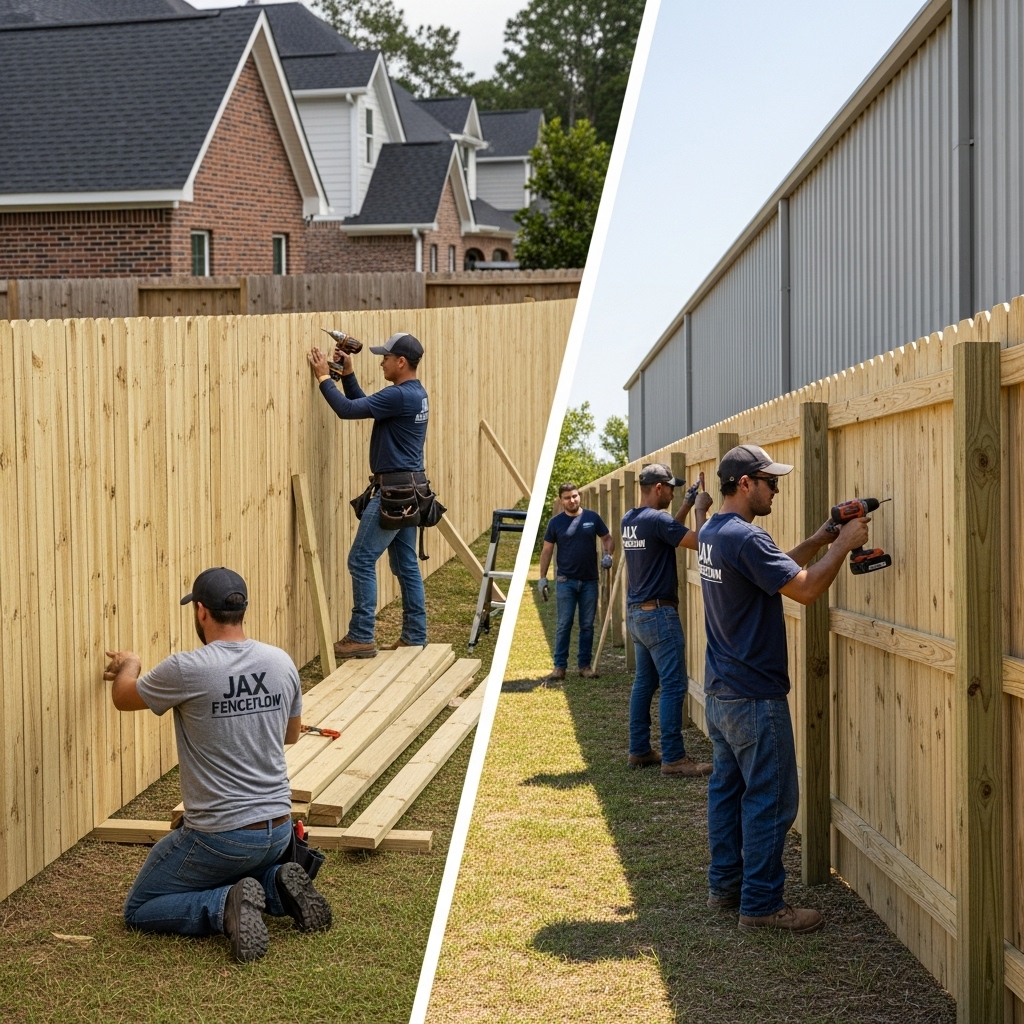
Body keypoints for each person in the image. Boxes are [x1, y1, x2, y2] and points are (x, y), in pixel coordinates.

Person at [104, 567, 332, 962]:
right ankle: (276, 884)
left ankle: (223, 904)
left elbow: (124, 697)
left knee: (140, 907)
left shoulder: (187, 669)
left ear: (201, 612)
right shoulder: (280, 662)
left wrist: (130, 663)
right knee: (240, 863)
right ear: (243, 610)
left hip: (222, 837)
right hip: (279, 830)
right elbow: (291, 734)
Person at [699, 444, 869, 934]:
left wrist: (819, 539)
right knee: (771, 800)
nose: (776, 490)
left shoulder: (714, 532)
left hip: (722, 692)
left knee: (727, 792)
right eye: (770, 482)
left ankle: (726, 886)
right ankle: (761, 904)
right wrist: (844, 544)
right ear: (746, 483)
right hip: (754, 696)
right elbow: (806, 589)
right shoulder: (746, 536)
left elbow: (773, 574)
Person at [307, 332, 430, 659]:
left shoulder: (399, 395)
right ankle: (415, 635)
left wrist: (323, 377)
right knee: (406, 564)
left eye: (385, 358)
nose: (381, 362)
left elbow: (347, 410)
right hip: (411, 490)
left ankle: (361, 636)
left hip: (394, 494)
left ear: (401, 362)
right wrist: (348, 375)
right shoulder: (415, 393)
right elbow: (366, 406)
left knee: (360, 559)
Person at [620, 462, 714, 777]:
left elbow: (667, 533)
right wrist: (700, 510)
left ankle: (639, 750)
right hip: (659, 615)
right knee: (674, 685)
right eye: (671, 489)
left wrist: (686, 504)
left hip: (637, 614)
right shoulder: (657, 520)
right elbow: (701, 542)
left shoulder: (630, 519)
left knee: (644, 682)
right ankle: (674, 759)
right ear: (659, 487)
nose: (673, 494)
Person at [537, 482, 613, 683]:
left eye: (575, 496)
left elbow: (607, 538)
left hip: (589, 581)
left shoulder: (592, 518)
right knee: (564, 624)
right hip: (565, 581)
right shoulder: (555, 523)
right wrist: (542, 577)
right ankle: (559, 667)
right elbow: (547, 550)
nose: (572, 500)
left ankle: (584, 666)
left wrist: (608, 554)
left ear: (579, 496)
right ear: (561, 500)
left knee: (587, 625)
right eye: (567, 498)